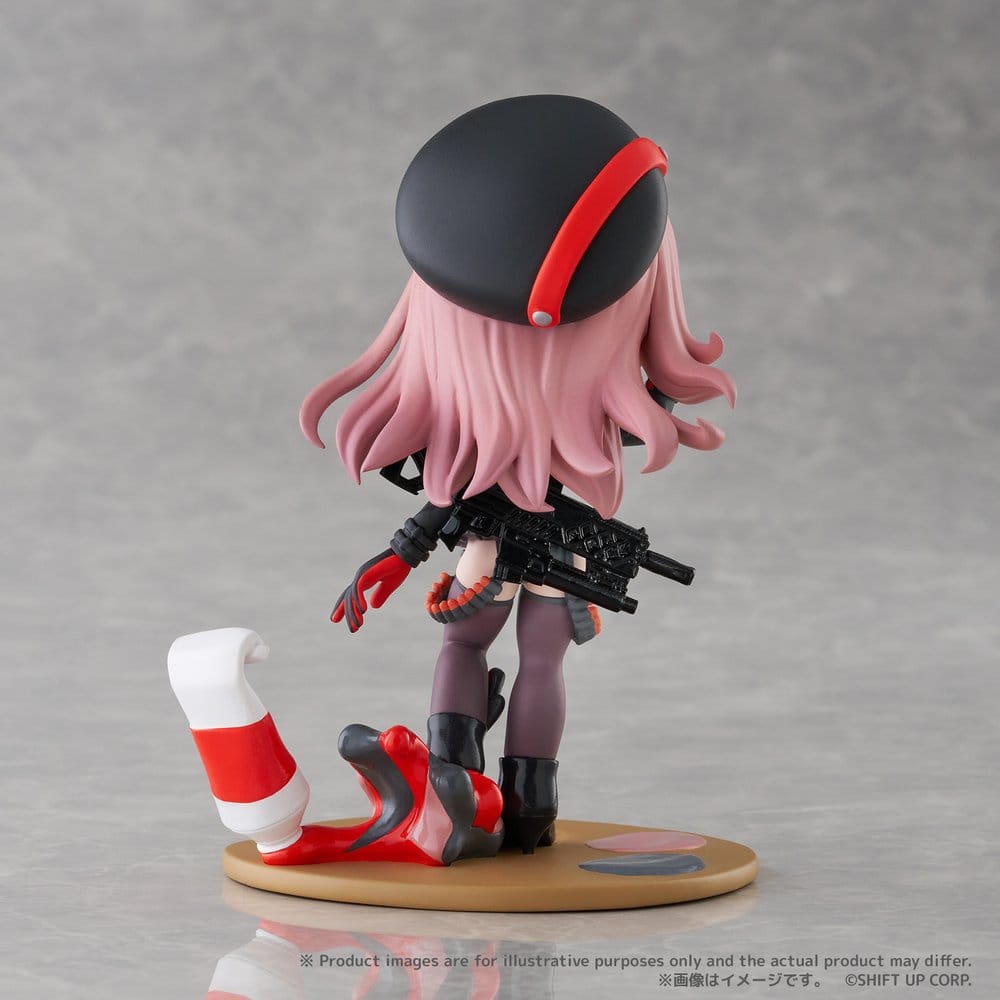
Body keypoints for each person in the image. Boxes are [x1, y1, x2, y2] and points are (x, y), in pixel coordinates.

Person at [300, 95, 735, 853]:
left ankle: (475, 791)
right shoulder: (593, 406)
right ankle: (506, 798)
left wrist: (402, 551)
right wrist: (400, 552)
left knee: (483, 652)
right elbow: (452, 497)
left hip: (520, 545)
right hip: (533, 542)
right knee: (532, 662)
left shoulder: (500, 429)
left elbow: (450, 497)